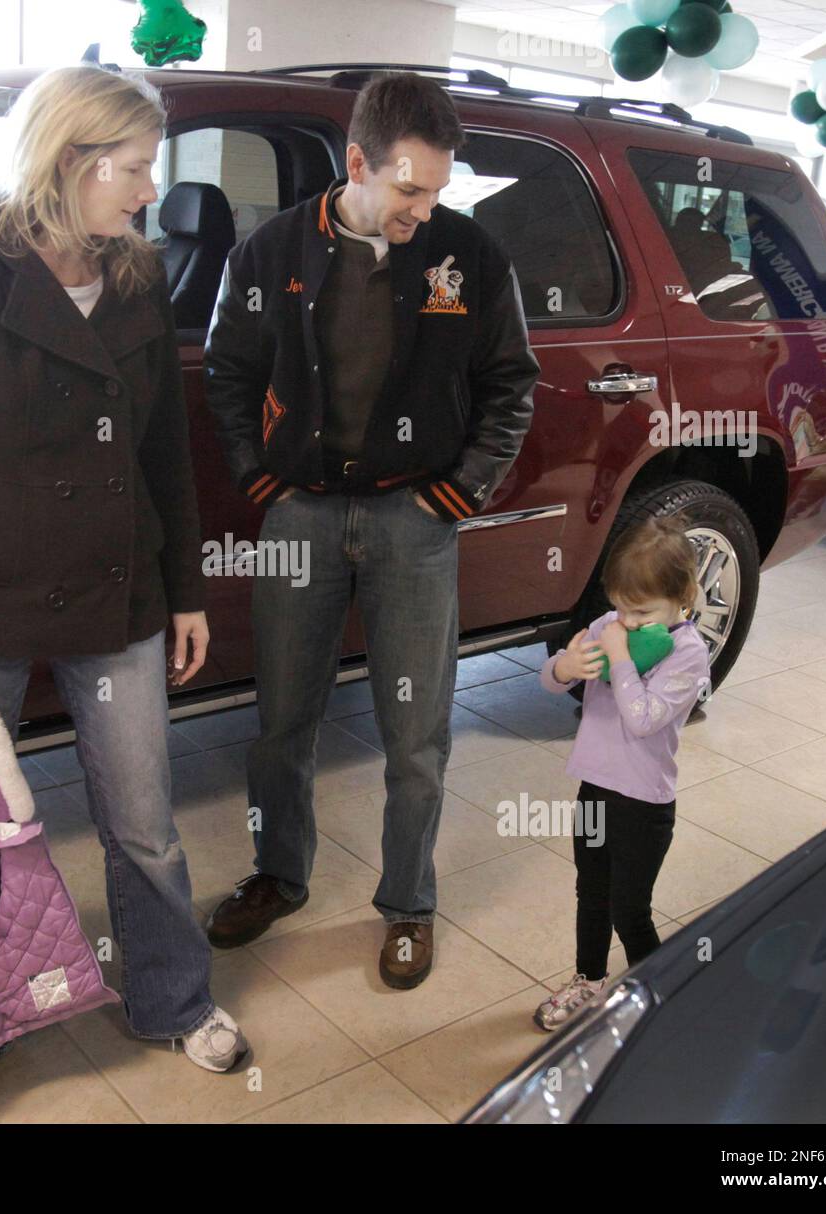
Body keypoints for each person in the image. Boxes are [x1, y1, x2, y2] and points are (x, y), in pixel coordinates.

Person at [0, 65, 248, 1100]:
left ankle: (170, 996)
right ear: (73, 160)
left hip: (117, 592)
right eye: (132, 169)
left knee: (144, 822)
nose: (149, 192)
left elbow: (162, 454)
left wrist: (186, 593)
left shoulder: (133, 274)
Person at [202, 71, 539, 989]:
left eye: (437, 189)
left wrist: (460, 492)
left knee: (415, 733)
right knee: (281, 723)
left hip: (414, 519)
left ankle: (409, 904)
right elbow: (228, 374)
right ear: (357, 162)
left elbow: (513, 384)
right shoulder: (269, 254)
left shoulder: (467, 256)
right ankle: (279, 875)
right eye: (408, 189)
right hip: (300, 513)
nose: (424, 211)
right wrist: (257, 475)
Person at [534, 517, 710, 1030]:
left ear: (684, 598)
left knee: (629, 908)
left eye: (642, 611)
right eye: (621, 607)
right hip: (595, 788)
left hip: (644, 803)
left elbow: (643, 719)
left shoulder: (688, 653)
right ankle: (588, 980)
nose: (628, 622)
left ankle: (653, 996)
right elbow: (549, 680)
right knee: (590, 892)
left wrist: (620, 657)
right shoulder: (606, 626)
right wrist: (564, 668)